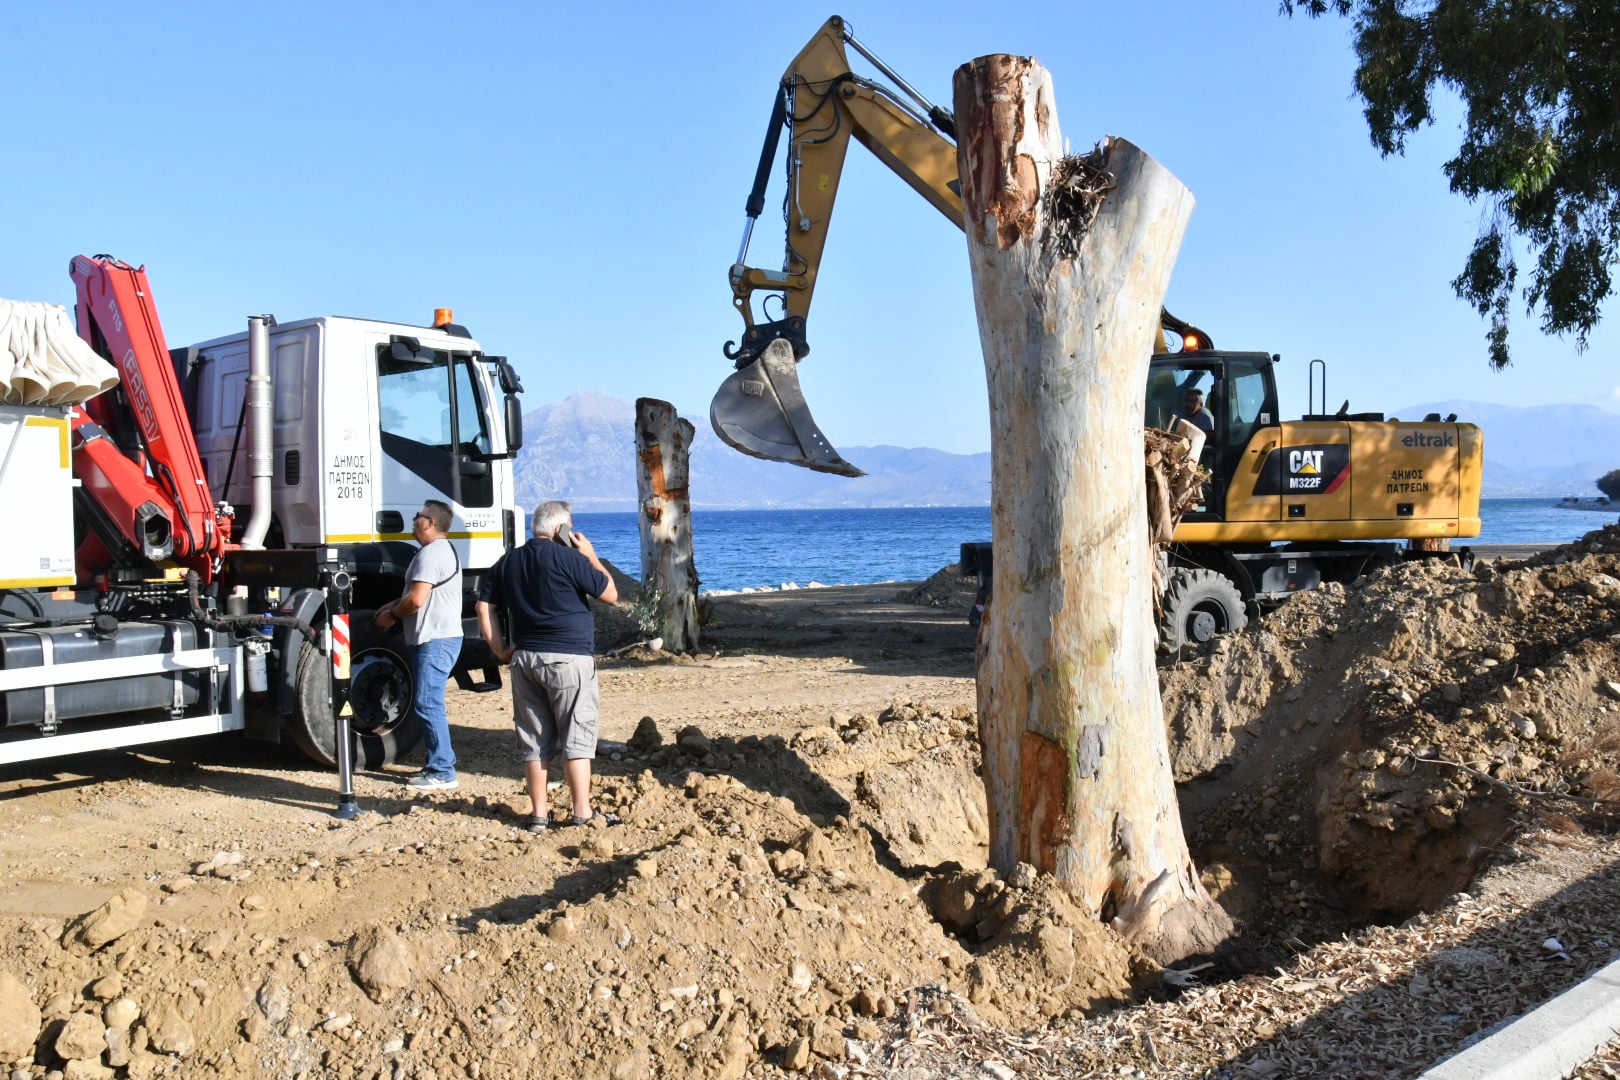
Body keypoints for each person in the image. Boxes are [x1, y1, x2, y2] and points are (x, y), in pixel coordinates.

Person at [477, 500, 618, 833]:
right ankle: (581, 812)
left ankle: (539, 814)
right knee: (577, 736)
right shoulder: (570, 558)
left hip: (525, 659)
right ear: (561, 529)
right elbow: (610, 593)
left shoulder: (508, 561)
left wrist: (500, 649)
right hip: (569, 658)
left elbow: (484, 606)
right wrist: (591, 555)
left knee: (535, 741)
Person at [376, 500, 463, 792]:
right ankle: (438, 764)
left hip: (435, 640)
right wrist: (392, 605)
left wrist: (391, 616)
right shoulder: (438, 551)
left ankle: (442, 770)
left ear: (430, 523)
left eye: (418, 516)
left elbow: (416, 600)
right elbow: (412, 594)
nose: (413, 520)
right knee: (428, 700)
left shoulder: (431, 553)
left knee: (427, 702)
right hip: (437, 638)